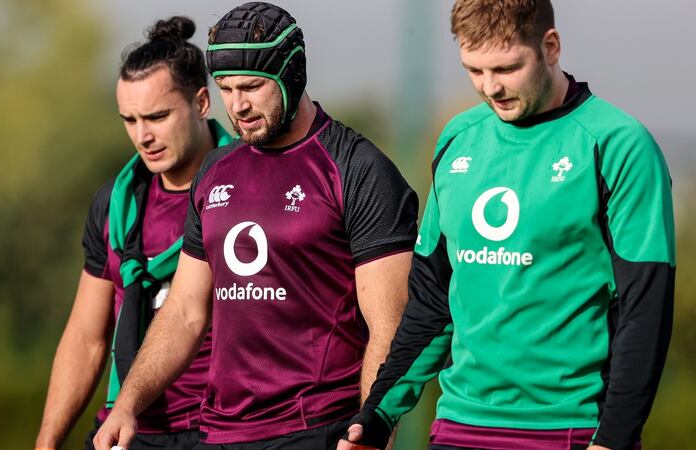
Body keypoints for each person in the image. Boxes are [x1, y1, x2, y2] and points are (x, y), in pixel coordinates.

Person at [340, 1, 676, 449]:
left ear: (550, 47)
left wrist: (614, 437)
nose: (490, 88)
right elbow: (432, 301)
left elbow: (645, 310)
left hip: (570, 429)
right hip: (459, 425)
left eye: (506, 67)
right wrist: (378, 414)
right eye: (474, 71)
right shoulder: (458, 138)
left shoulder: (619, 145)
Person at [93, 3, 418, 450]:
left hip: (317, 428)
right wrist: (126, 404)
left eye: (252, 87)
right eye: (226, 88)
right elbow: (186, 310)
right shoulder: (215, 172)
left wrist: (371, 429)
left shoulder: (357, 168)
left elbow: (389, 323)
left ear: (292, 75)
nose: (237, 106)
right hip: (221, 433)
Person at [35, 16, 233, 450]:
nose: (143, 136)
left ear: (202, 103)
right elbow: (87, 338)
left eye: (158, 116)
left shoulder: (247, 192)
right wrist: (46, 443)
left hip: (223, 431)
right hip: (125, 430)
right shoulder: (114, 205)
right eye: (130, 119)